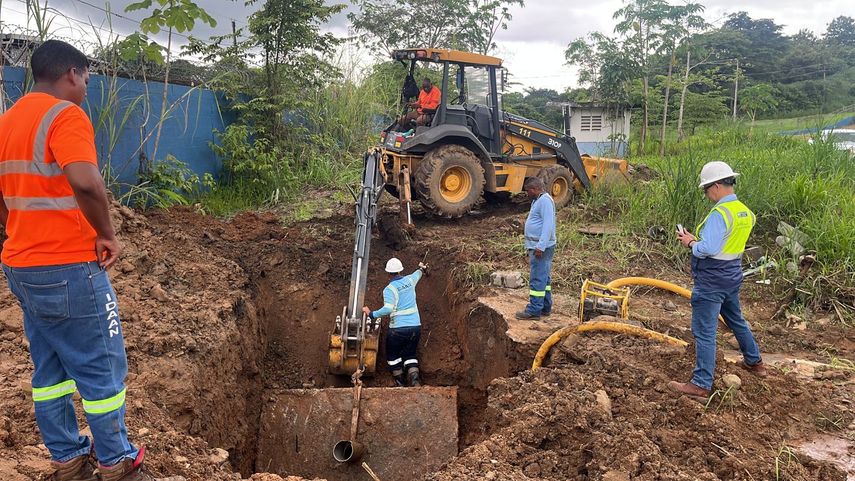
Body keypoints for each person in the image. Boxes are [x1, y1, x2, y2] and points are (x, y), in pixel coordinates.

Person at [0, 40, 178, 481]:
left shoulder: (8, 121)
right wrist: (105, 233)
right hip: (68, 266)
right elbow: (86, 181)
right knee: (102, 365)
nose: (86, 88)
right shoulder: (65, 115)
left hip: (22, 266)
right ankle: (116, 462)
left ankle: (67, 460)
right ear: (71, 74)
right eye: (86, 78)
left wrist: (14, 228)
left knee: (51, 368)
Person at [670, 160, 767, 402]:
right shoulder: (745, 212)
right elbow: (726, 243)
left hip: (712, 280)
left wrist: (691, 243)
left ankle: (701, 383)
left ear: (715, 187)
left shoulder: (719, 213)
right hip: (732, 275)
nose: (706, 195)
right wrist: (699, 241)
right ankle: (755, 362)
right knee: (736, 320)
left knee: (704, 332)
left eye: (706, 190)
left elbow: (709, 248)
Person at [363, 258, 427, 387]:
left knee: (393, 355)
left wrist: (371, 314)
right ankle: (414, 381)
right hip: (415, 327)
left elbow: (388, 308)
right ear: (400, 270)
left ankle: (400, 383)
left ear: (388, 273)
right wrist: (422, 269)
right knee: (410, 354)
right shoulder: (409, 280)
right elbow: (417, 274)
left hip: (398, 329)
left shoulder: (389, 289)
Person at [516, 177, 556, 320]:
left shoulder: (544, 201)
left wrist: (541, 245)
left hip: (541, 247)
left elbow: (548, 225)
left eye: (528, 191)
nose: (527, 193)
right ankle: (545, 307)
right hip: (538, 246)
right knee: (544, 278)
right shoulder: (538, 200)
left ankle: (534, 310)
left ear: (535, 189)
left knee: (537, 278)